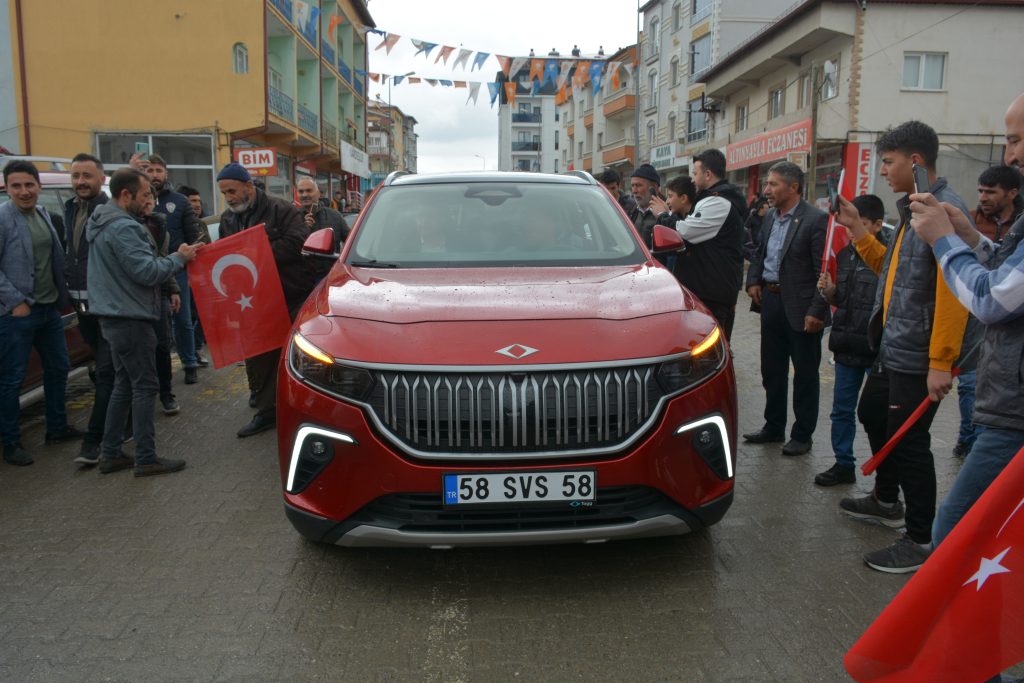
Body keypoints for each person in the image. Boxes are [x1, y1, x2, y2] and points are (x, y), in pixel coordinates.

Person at [833, 120, 974, 573]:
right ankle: (885, 498)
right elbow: (893, 273)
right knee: (872, 413)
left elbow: (955, 293)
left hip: (919, 356)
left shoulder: (943, 211)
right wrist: (857, 230)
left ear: (915, 162)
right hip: (893, 348)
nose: (882, 171)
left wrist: (941, 362)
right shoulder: (913, 210)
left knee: (910, 442)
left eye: (888, 162)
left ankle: (919, 538)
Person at [909, 93, 1024, 552]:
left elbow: (991, 300)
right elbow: (1008, 279)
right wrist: (971, 238)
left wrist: (943, 241)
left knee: (954, 536)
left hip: (1014, 416)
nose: (1010, 156)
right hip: (1008, 407)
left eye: (1016, 140)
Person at [85, 168, 197, 476]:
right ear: (126, 195)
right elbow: (146, 272)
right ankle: (146, 458)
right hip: (131, 317)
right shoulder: (123, 227)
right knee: (146, 386)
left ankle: (110, 452)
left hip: (115, 315)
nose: (150, 201)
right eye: (145, 195)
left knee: (124, 384)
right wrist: (179, 258)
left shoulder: (103, 220)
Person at [216, 163, 315, 438]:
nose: (229, 198)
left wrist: (253, 253)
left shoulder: (281, 209)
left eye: (232, 191)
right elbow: (226, 256)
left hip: (291, 294)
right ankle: (266, 410)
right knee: (259, 356)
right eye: (224, 193)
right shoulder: (228, 219)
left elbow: (299, 242)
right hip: (254, 300)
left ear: (249, 186)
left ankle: (304, 407)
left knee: (295, 355)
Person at [0, 160, 83, 466]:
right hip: (18, 314)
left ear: (38, 186)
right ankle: (10, 442)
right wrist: (15, 302)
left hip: (49, 310)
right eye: (16, 186)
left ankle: (57, 427)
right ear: (8, 189)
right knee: (12, 380)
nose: (24, 191)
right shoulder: (3, 218)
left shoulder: (43, 213)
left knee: (59, 368)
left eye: (29, 185)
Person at [744, 161, 829, 456]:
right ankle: (773, 426)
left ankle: (802, 435)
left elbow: (824, 270)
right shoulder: (770, 217)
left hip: (801, 308)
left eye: (773, 184)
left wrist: (817, 310)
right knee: (772, 370)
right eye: (767, 183)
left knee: (805, 374)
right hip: (771, 302)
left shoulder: (815, 220)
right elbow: (760, 253)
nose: (766, 190)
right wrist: (754, 281)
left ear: (793, 187)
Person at [813, 194, 892, 486]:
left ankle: (886, 474)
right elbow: (842, 300)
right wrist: (830, 292)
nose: (851, 230)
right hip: (846, 344)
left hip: (875, 349)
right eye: (848, 225)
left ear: (877, 225)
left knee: (878, 414)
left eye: (860, 224)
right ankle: (843, 464)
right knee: (841, 411)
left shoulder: (887, 256)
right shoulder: (845, 254)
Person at [651, 149, 747, 341]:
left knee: (709, 348)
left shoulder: (718, 201)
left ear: (708, 174)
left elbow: (684, 232)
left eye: (695, 173)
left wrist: (663, 216)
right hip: (706, 290)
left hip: (712, 294)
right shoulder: (711, 198)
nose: (693, 179)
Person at [63, 153, 115, 466]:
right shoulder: (70, 208)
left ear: (101, 179)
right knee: (106, 370)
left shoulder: (109, 211)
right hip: (80, 306)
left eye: (87, 176)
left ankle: (93, 442)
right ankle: (123, 422)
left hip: (106, 306)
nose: (80, 182)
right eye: (76, 176)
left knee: (106, 372)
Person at [140, 154, 209, 385]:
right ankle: (158, 371)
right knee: (154, 323)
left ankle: (189, 364)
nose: (154, 175)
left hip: (178, 269)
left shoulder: (179, 201)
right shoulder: (137, 200)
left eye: (158, 170)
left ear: (166, 173)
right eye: (149, 170)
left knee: (183, 320)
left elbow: (193, 236)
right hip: (147, 270)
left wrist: (190, 267)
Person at [296, 176, 350, 280]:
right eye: (301, 191)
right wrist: (303, 229)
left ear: (318, 193)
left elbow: (350, 242)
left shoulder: (335, 216)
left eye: (309, 190)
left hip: (329, 276)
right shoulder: (292, 217)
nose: (305, 195)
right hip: (301, 278)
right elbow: (289, 249)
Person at [972, 164, 1023, 245]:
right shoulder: (969, 219)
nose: (982, 198)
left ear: (1012, 194)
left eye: (990, 192)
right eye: (980, 191)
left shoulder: (1021, 223)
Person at [628, 164, 662, 249]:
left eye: (638, 185)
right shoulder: (632, 213)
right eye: (632, 186)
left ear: (654, 188)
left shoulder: (666, 214)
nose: (634, 191)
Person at [743, 196, 768, 262]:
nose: (768, 210)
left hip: (762, 244)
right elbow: (745, 228)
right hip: (753, 245)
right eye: (766, 208)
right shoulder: (752, 217)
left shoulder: (767, 218)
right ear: (761, 209)